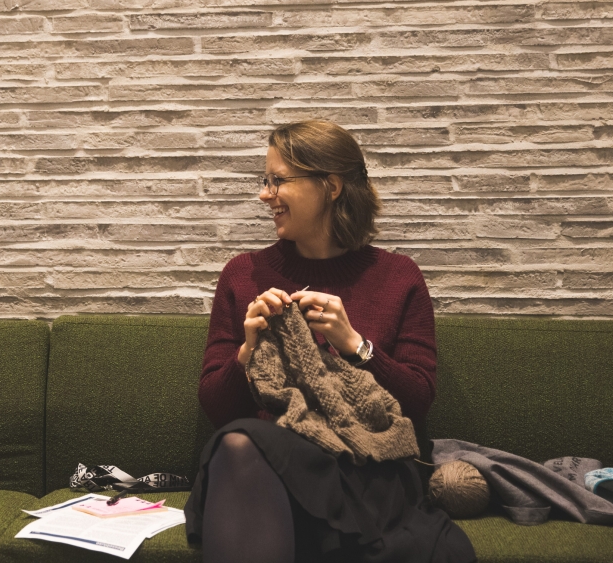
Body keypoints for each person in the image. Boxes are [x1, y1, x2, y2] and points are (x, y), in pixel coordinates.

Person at [184, 120, 474, 563]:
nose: (265, 194)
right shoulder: (243, 275)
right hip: (269, 471)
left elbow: (417, 403)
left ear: (331, 186)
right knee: (238, 443)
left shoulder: (399, 277)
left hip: (367, 468)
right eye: (266, 181)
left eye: (279, 181)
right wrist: (247, 351)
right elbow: (217, 409)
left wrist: (355, 343)